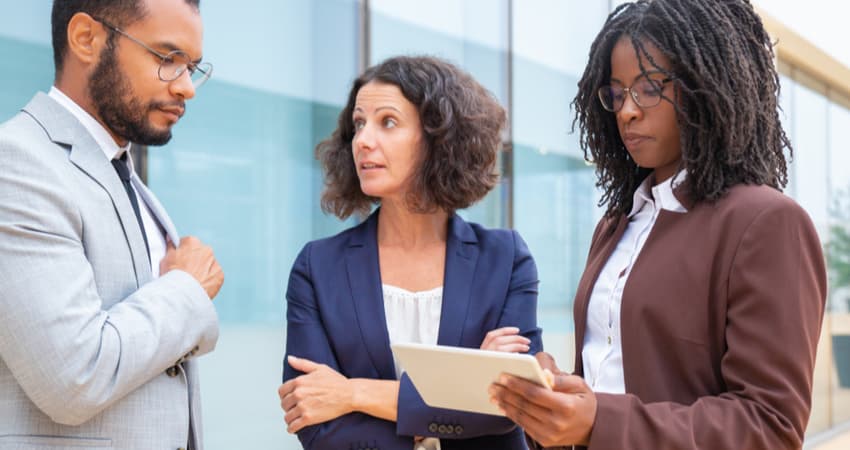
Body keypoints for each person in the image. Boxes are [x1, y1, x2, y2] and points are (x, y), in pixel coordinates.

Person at [489, 0, 827, 449]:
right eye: (616, 92)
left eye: (649, 88)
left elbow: (769, 426)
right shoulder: (617, 225)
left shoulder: (765, 223)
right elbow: (614, 386)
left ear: (706, 87)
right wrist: (555, 396)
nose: (627, 110)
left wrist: (598, 421)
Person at [278, 55, 542, 450]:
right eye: (359, 124)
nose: (364, 140)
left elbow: (512, 407)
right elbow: (313, 419)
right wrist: (461, 391)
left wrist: (352, 393)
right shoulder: (317, 267)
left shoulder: (506, 260)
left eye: (387, 122)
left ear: (439, 136)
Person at [0, 0, 223, 448]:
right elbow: (74, 375)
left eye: (192, 67)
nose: (187, 88)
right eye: (167, 59)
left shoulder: (125, 176)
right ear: (86, 38)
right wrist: (187, 289)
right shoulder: (18, 162)